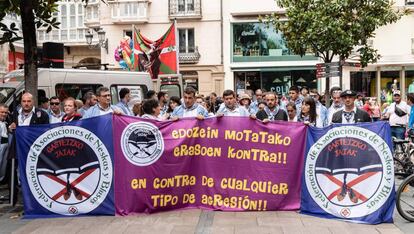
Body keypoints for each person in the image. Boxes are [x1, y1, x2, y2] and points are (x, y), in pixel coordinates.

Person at [0, 104, 9, 182]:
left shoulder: (6, 122)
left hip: (5, 148)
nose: (4, 114)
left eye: (6, 112)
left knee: (3, 167)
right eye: (2, 112)